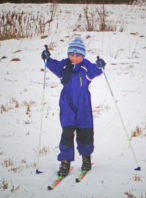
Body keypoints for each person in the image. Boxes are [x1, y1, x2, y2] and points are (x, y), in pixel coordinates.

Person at [41, 37, 106, 177]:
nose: (74, 58)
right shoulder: (64, 66)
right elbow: (53, 65)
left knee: (85, 132)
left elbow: (96, 70)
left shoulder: (86, 66)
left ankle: (86, 157)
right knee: (67, 133)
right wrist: (47, 58)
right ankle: (65, 161)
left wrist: (101, 65)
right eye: (71, 55)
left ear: (82, 56)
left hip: (83, 105)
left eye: (77, 55)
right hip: (67, 105)